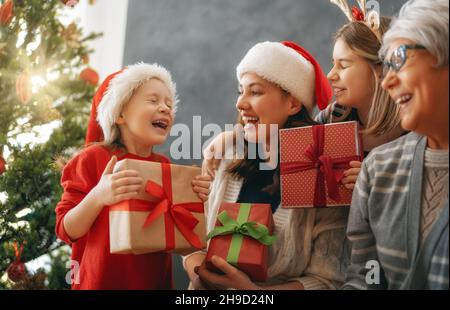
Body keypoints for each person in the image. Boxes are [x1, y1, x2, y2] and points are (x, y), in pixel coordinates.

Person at [184, 41, 350, 290]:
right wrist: (198, 275)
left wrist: (252, 293)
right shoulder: (224, 155)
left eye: (256, 92)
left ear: (293, 104)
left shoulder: (323, 173)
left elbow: (327, 280)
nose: (240, 103)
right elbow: (192, 240)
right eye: (241, 90)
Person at [55, 63, 212, 290]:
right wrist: (99, 195)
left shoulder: (164, 167)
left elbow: (181, 238)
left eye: (169, 103)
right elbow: (66, 229)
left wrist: (196, 200)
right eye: (153, 100)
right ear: (119, 113)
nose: (166, 108)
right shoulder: (93, 159)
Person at [344, 0, 448, 289]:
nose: (386, 81)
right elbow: (365, 279)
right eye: (385, 66)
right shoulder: (378, 169)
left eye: (398, 59)